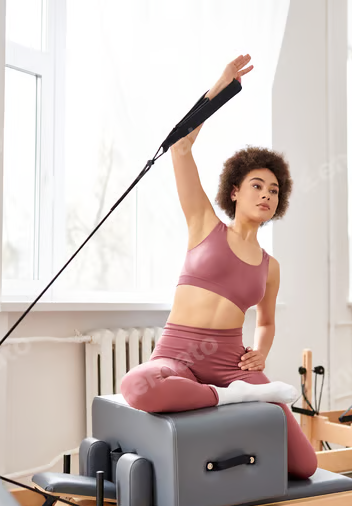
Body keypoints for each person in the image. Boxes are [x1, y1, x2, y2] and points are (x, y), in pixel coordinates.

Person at [119, 54, 318, 479]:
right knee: (136, 386)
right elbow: (181, 146)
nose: (266, 195)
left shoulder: (270, 266)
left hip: (232, 364)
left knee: (305, 464)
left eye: (274, 190)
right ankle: (228, 398)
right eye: (256, 185)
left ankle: (235, 392)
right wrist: (221, 88)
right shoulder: (204, 225)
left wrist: (261, 351)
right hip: (178, 355)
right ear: (234, 191)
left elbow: (265, 322)